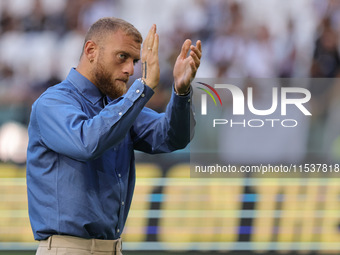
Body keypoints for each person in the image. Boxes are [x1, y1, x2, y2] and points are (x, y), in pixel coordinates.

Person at [26, 17, 202, 255]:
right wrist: (143, 87)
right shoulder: (52, 102)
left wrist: (181, 93)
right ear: (91, 51)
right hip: (67, 249)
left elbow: (171, 138)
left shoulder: (118, 106)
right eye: (122, 57)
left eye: (135, 61)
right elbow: (86, 143)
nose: (130, 69)